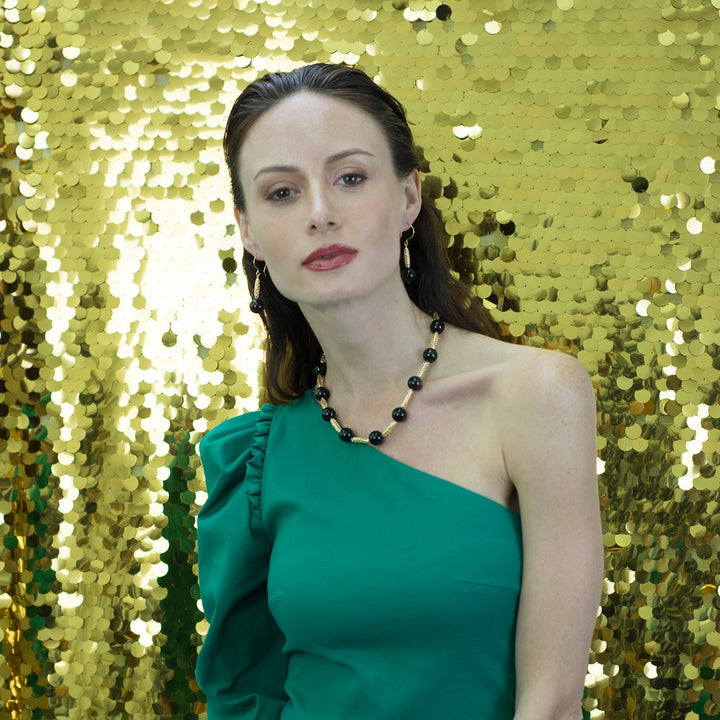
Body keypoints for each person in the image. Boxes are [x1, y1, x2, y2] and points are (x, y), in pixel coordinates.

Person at [196, 63, 603, 720]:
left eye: (350, 178)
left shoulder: (535, 394)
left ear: (408, 196)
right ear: (248, 231)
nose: (320, 215)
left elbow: (553, 705)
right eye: (282, 192)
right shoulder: (257, 457)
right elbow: (245, 693)